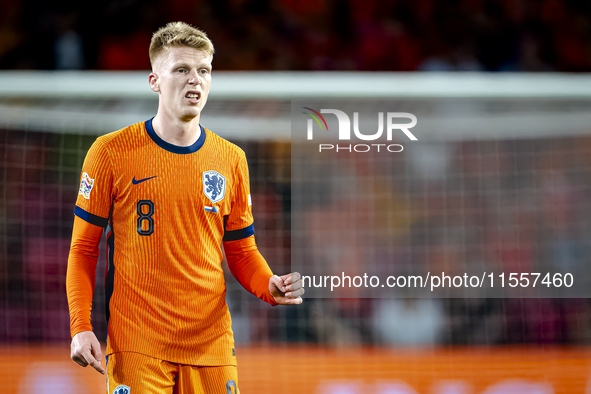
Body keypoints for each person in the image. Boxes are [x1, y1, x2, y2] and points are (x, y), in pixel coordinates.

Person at [66, 21, 304, 394]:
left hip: (211, 344)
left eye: (203, 71)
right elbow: (83, 248)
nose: (195, 79)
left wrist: (267, 285)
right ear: (154, 81)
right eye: (181, 69)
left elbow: (241, 249)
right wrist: (81, 325)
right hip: (138, 344)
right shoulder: (110, 152)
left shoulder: (231, 159)